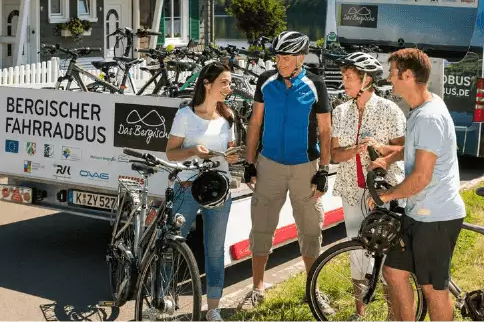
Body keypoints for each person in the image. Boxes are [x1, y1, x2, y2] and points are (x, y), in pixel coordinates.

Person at [368, 48, 466, 322]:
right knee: (394, 272)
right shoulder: (422, 107)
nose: (389, 79)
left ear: (408, 75)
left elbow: (421, 177)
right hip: (418, 213)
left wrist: (386, 196)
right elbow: (415, 148)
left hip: (435, 217)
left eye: (392, 73)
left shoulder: (429, 117)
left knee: (434, 290)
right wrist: (388, 158)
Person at [243, 30, 334, 310]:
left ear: (300, 57)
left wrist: (323, 170)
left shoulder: (315, 84)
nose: (279, 62)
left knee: (309, 229)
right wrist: (249, 163)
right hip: (269, 164)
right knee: (261, 227)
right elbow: (255, 124)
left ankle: (312, 288)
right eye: (277, 57)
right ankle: (257, 286)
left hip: (304, 167)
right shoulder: (265, 81)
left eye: (285, 57)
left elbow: (326, 130)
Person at [328, 52, 407, 320]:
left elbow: (404, 149)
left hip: (383, 193)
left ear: (367, 79)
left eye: (349, 77)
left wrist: (381, 151)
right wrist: (356, 149)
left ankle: (391, 314)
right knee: (356, 253)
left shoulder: (389, 109)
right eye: (343, 77)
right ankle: (359, 313)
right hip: (352, 191)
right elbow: (333, 155)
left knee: (384, 255)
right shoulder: (340, 111)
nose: (344, 82)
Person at [165, 61, 243, 323]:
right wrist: (191, 150)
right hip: (187, 187)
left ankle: (213, 309)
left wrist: (232, 157)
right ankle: (166, 298)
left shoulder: (228, 116)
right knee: (173, 244)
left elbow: (230, 149)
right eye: (224, 82)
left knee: (215, 250)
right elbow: (170, 152)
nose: (228, 87)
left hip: (218, 190)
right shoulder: (185, 115)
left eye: (229, 82)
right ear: (207, 84)